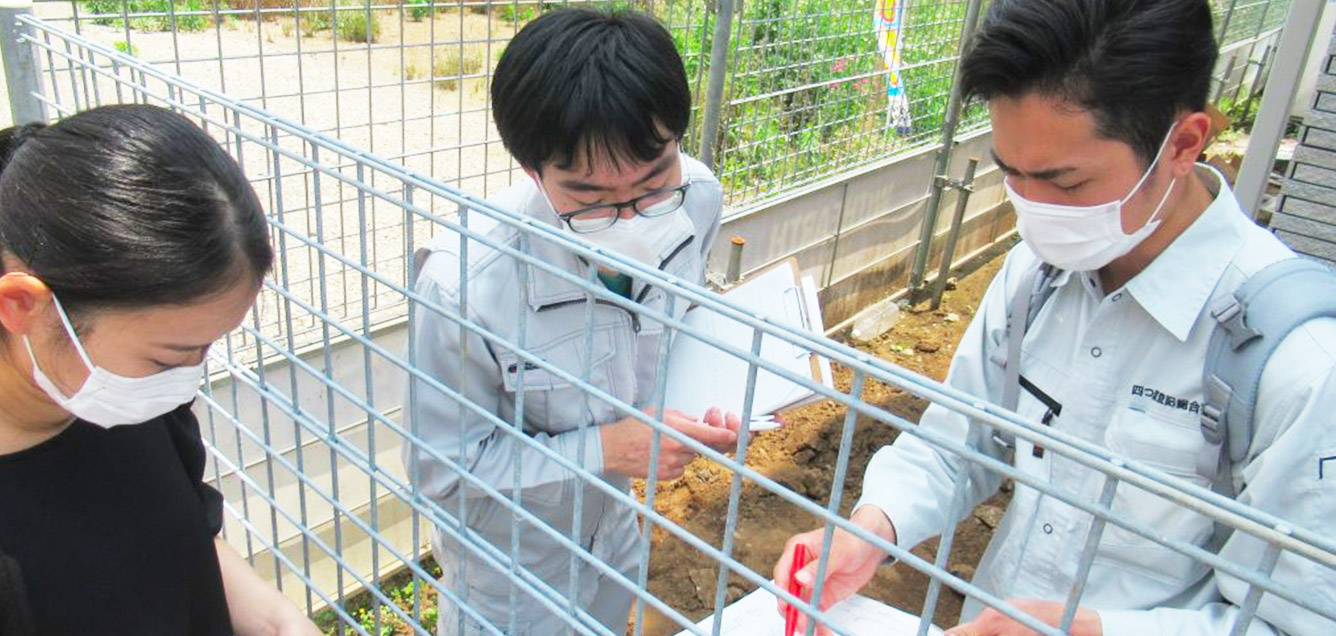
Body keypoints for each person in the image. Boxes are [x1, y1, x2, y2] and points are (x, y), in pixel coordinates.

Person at [774, 1, 1336, 634]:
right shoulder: (1036, 277)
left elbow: (1298, 622)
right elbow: (963, 437)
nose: (1032, 212)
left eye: (1066, 185)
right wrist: (873, 527)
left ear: (1182, 144)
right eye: (1011, 173)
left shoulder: (1296, 365)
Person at [402, 7, 742, 635]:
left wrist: (695, 409)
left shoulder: (697, 199)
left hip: (614, 535)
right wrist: (609, 448)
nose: (632, 216)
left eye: (652, 180)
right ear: (533, 172)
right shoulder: (465, 284)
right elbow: (442, 467)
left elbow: (675, 330)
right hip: (510, 574)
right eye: (589, 199)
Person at [0, 105, 321, 635]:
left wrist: (279, 622)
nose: (187, 379)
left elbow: (183, 534)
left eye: (206, 348)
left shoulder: (133, 400)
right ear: (22, 306)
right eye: (169, 357)